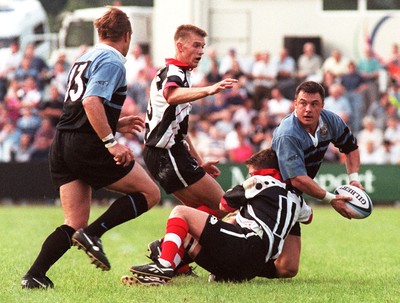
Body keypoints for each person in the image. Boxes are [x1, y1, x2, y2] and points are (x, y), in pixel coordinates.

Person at [21, 7, 160, 289]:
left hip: (63, 142)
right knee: (150, 193)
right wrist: (111, 142)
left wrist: (114, 123)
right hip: (86, 144)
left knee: (74, 220)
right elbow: (91, 102)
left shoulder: (84, 56)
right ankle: (94, 234)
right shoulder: (113, 60)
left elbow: (80, 105)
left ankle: (34, 275)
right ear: (128, 35)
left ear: (99, 33)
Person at [121, 148, 313, 286]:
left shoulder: (260, 181)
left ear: (261, 171)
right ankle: (172, 263)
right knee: (188, 237)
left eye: (250, 172)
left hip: (246, 246)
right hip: (253, 267)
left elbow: (224, 204)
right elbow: (309, 217)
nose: (249, 176)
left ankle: (163, 265)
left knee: (181, 213)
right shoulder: (297, 201)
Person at [269, 80, 363, 279]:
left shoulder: (330, 121)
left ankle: (242, 265)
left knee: (287, 269)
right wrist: (331, 199)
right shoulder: (288, 133)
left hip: (292, 196)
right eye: (303, 103)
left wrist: (354, 179)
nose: (308, 109)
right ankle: (227, 261)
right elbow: (298, 179)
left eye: (314, 104)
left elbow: (351, 148)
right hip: (270, 193)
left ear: (323, 105)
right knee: (251, 243)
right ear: (295, 103)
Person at [143, 24, 237, 214]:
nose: (201, 51)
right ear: (180, 47)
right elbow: (172, 94)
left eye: (202, 46)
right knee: (223, 206)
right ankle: (165, 244)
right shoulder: (174, 72)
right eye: (196, 45)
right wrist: (209, 89)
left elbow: (181, 131)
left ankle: (169, 244)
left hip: (167, 152)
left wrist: (199, 161)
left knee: (205, 213)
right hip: (165, 153)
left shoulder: (183, 74)